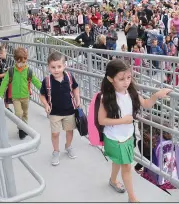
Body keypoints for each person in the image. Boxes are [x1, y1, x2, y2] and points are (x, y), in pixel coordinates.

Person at [97, 59, 172, 202]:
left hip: (127, 136)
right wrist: (123, 120)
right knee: (126, 167)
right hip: (115, 138)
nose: (126, 82)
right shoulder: (105, 97)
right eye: (121, 79)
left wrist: (157, 95)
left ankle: (113, 180)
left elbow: (146, 104)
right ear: (110, 79)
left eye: (129, 77)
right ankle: (132, 198)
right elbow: (102, 121)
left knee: (118, 162)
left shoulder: (131, 93)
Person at [39, 52, 80, 166]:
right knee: (55, 134)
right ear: (48, 67)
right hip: (54, 112)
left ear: (64, 66)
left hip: (69, 110)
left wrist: (78, 99)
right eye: (53, 67)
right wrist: (46, 104)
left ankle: (68, 146)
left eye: (59, 66)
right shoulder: (47, 81)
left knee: (69, 130)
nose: (56, 70)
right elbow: (42, 95)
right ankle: (56, 151)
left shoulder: (69, 77)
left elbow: (75, 88)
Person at [0, 47, 42, 139]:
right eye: (19, 61)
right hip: (16, 97)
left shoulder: (28, 71)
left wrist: (44, 90)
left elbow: (36, 81)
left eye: (23, 61)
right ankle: (21, 128)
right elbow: (4, 83)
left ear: (26, 59)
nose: (21, 64)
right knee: (18, 113)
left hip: (25, 97)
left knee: (25, 113)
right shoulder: (11, 71)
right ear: (15, 60)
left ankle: (24, 128)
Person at [0, 45, 12, 112]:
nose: (6, 53)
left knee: (6, 95)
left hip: (4, 82)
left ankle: (7, 108)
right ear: (0, 54)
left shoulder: (3, 61)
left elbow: (4, 68)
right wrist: (4, 74)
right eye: (5, 51)